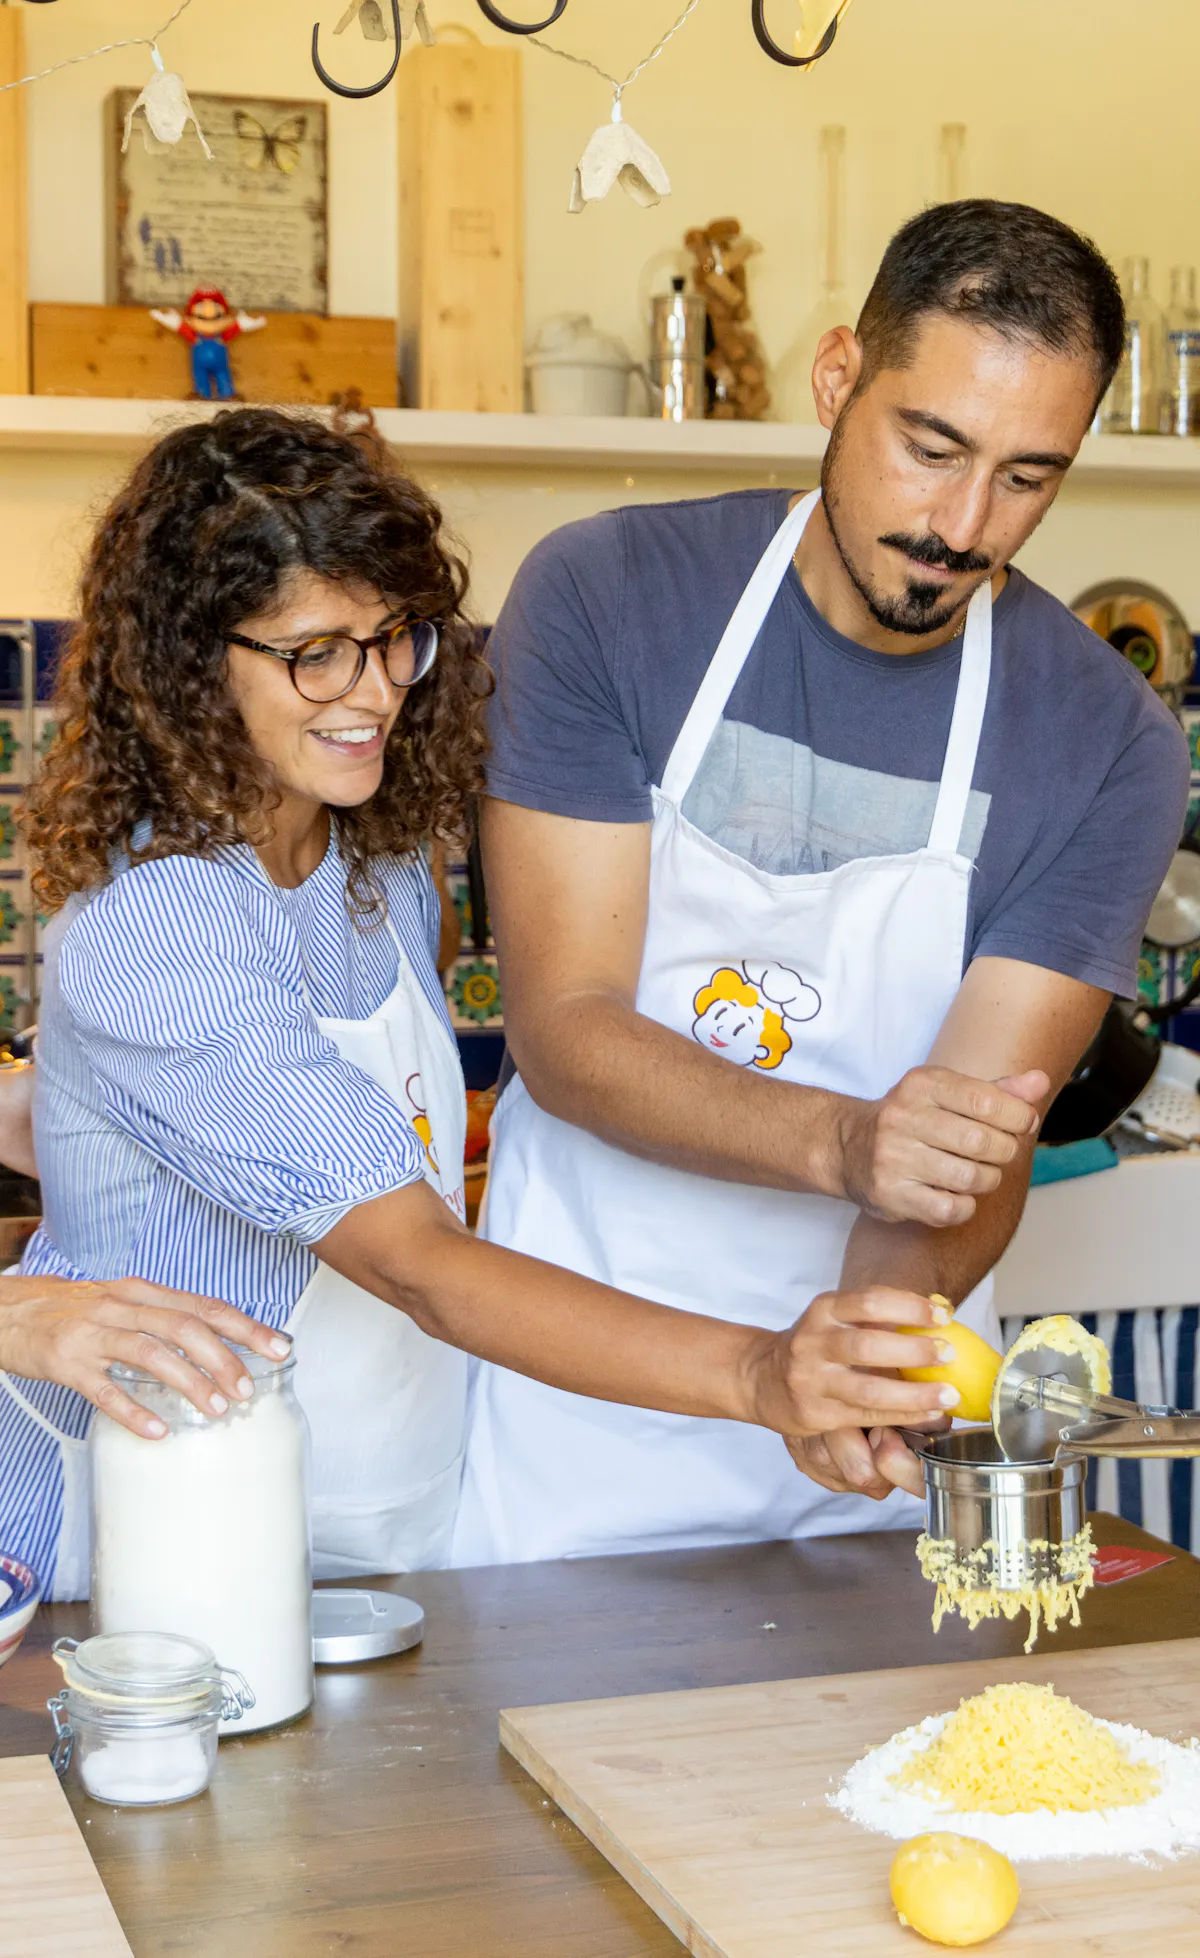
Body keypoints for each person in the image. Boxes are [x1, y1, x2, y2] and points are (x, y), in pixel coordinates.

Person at [0, 408, 959, 1601]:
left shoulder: (380, 862)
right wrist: (763, 1375)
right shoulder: (164, 925)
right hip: (141, 1541)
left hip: (369, 1530)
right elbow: (417, 1264)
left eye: (395, 636)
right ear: (194, 666)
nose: (373, 691)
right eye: (315, 653)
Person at [451, 199, 1191, 1567]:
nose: (965, 525)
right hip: (578, 1422)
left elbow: (977, 1139)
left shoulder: (1106, 743)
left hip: (868, 1448)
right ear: (840, 375)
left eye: (1028, 477)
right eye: (932, 447)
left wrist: (865, 1337)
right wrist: (850, 1142)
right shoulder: (607, 598)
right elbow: (564, 1032)